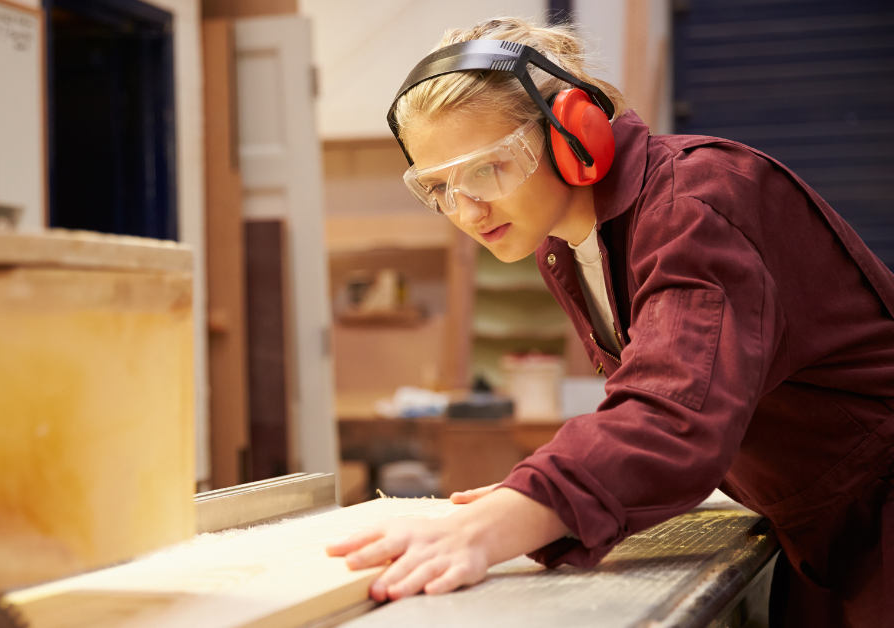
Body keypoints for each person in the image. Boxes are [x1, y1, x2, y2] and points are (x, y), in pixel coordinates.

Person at [325, 16, 894, 627]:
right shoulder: (567, 248)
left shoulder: (695, 206)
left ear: (575, 132)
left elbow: (674, 410)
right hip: (820, 529)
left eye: (487, 168)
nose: (465, 210)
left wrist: (511, 516)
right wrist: (543, 492)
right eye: (438, 186)